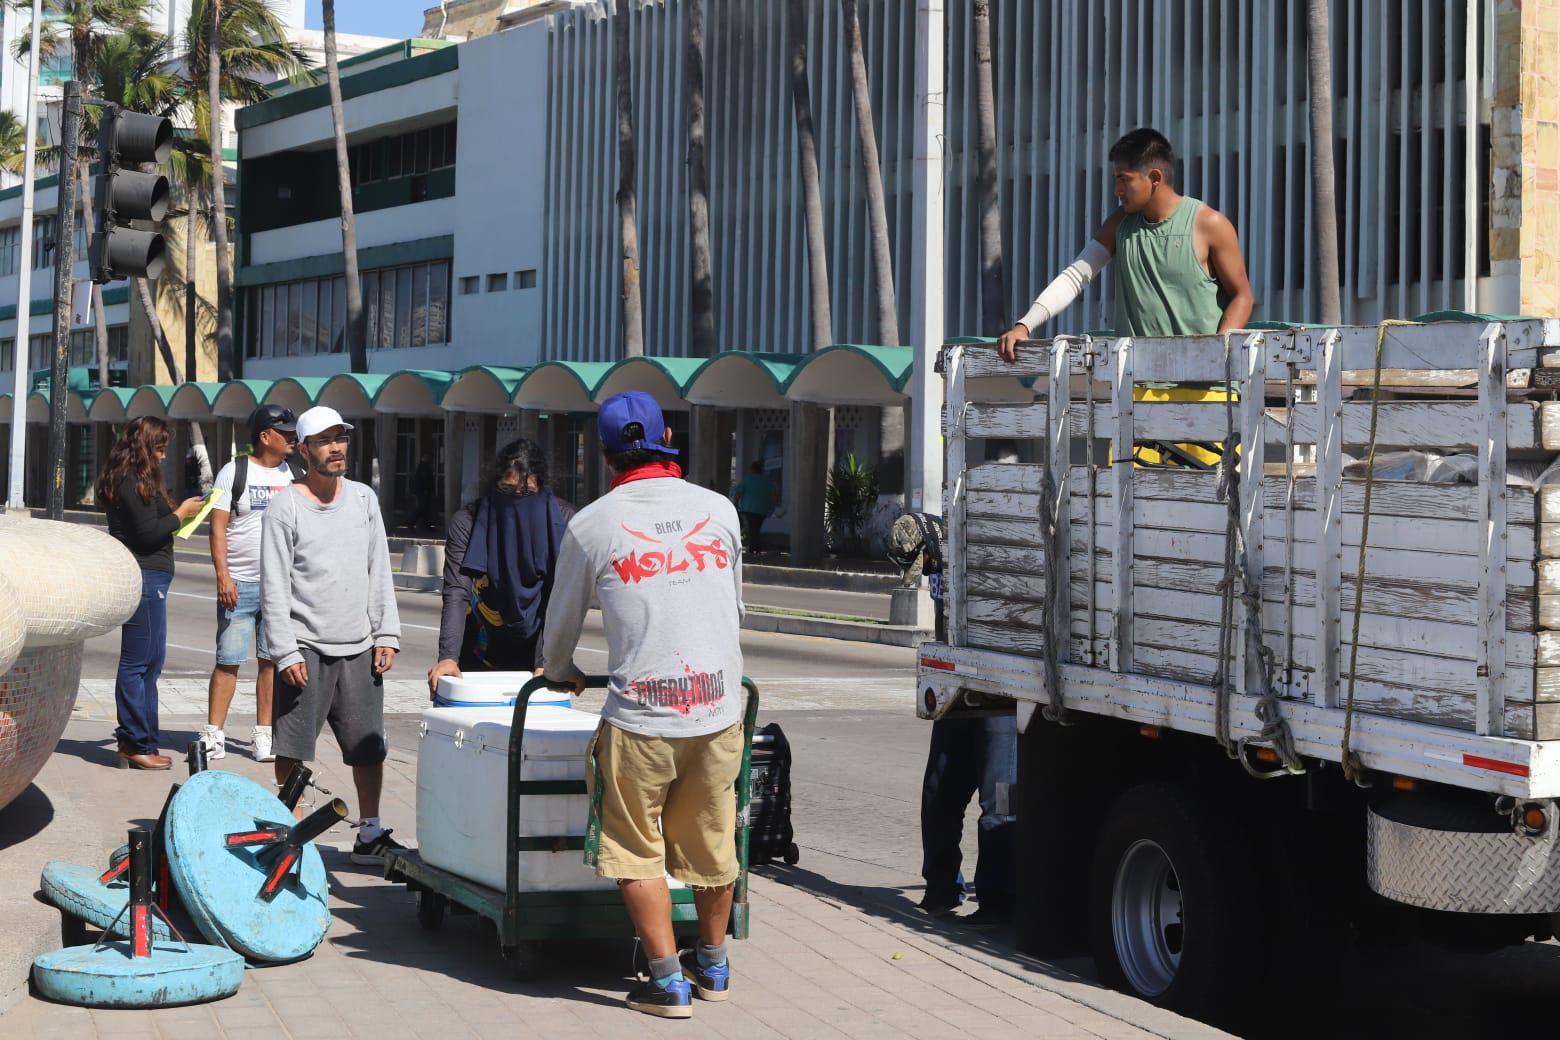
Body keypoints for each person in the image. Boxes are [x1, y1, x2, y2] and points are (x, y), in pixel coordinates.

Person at [544, 391, 745, 1019]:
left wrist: (559, 672)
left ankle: (666, 981)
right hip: (717, 710)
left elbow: (560, 629)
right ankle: (712, 965)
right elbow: (734, 607)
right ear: (667, 439)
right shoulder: (720, 510)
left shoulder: (592, 524)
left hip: (641, 719)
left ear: (605, 456)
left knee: (635, 849)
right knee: (715, 843)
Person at [261, 405, 406, 865]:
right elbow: (274, 585)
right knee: (293, 749)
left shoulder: (363, 499)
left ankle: (370, 832)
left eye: (340, 437)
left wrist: (387, 633)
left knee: (369, 747)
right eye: (324, 441)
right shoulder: (286, 506)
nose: (337, 447)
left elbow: (378, 568)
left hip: (360, 646)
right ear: (303, 450)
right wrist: (285, 652)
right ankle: (289, 836)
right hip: (305, 646)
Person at [994, 127, 1253, 363]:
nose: (1117, 190)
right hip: (1134, 388)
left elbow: (1242, 295)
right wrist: (1024, 326)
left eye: (1124, 179)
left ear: (1154, 177)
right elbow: (1075, 277)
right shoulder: (1119, 225)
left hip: (1207, 392)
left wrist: (1218, 350)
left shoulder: (1210, 224)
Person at [96, 417, 205, 770]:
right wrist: (180, 514)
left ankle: (143, 740)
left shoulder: (138, 479)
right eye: (158, 448)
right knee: (139, 662)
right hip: (144, 575)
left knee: (151, 663)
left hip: (152, 575)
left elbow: (151, 527)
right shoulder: (131, 480)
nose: (162, 456)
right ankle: (133, 742)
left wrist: (182, 515)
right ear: (143, 447)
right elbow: (146, 534)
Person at [426, 439, 576, 695]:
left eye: (526, 493)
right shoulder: (469, 522)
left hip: (539, 654)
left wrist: (547, 662)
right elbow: (456, 593)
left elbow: (560, 598)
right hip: (479, 651)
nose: (516, 501)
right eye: (507, 491)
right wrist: (448, 656)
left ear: (541, 486)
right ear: (495, 485)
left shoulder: (564, 522)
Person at [200, 405, 299, 763]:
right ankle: (214, 734)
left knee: (270, 662)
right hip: (239, 585)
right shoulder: (233, 472)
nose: (292, 438)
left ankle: (264, 736)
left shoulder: (295, 475)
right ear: (264, 436)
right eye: (284, 432)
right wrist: (223, 576)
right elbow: (217, 528)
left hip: (278, 588)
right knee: (228, 661)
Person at [729, 460, 777, 555]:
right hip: (762, 509)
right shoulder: (767, 480)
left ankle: (753, 548)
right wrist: (773, 506)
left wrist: (735, 503)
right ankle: (755, 548)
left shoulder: (748, 479)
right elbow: (773, 495)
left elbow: (738, 493)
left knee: (752, 528)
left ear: (752, 469)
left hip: (748, 509)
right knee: (756, 528)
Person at [413, 453, 438, 531]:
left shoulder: (423, 466)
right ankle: (411, 522)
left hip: (424, 492)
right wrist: (426, 490)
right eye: (427, 457)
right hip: (424, 492)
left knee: (426, 510)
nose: (429, 458)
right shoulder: (423, 467)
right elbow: (424, 480)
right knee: (423, 509)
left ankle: (426, 526)